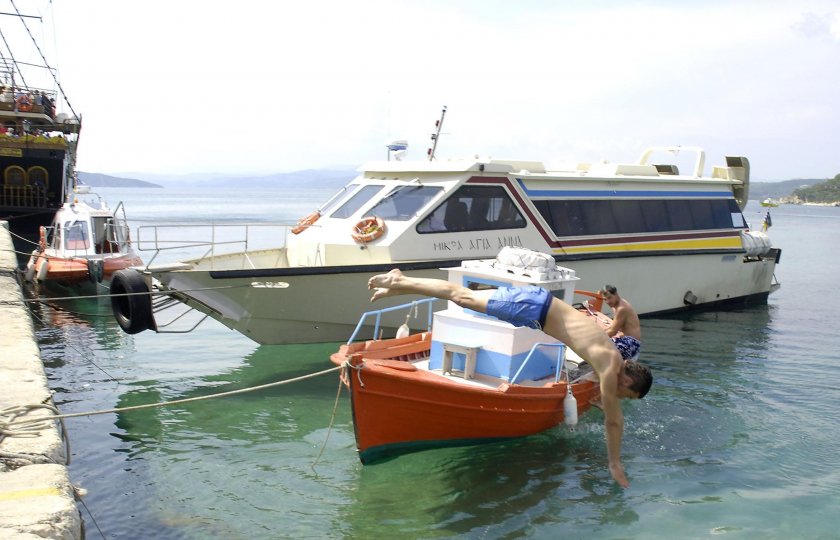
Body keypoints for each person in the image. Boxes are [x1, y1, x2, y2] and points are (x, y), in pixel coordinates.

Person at [368, 269, 653, 488]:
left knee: (461, 295)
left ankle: (399, 284)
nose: (618, 398)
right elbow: (614, 421)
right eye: (624, 396)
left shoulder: (611, 358)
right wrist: (614, 463)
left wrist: (602, 401)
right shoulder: (607, 367)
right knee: (461, 296)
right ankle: (399, 281)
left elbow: (606, 401)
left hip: (536, 311)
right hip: (534, 308)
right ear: (627, 382)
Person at [600, 285, 642, 361]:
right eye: (605, 299)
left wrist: (595, 338)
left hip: (632, 343)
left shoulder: (621, 308)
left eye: (609, 298)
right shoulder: (616, 305)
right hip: (629, 341)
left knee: (600, 344)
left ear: (616, 294)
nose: (607, 302)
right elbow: (613, 327)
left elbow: (612, 332)